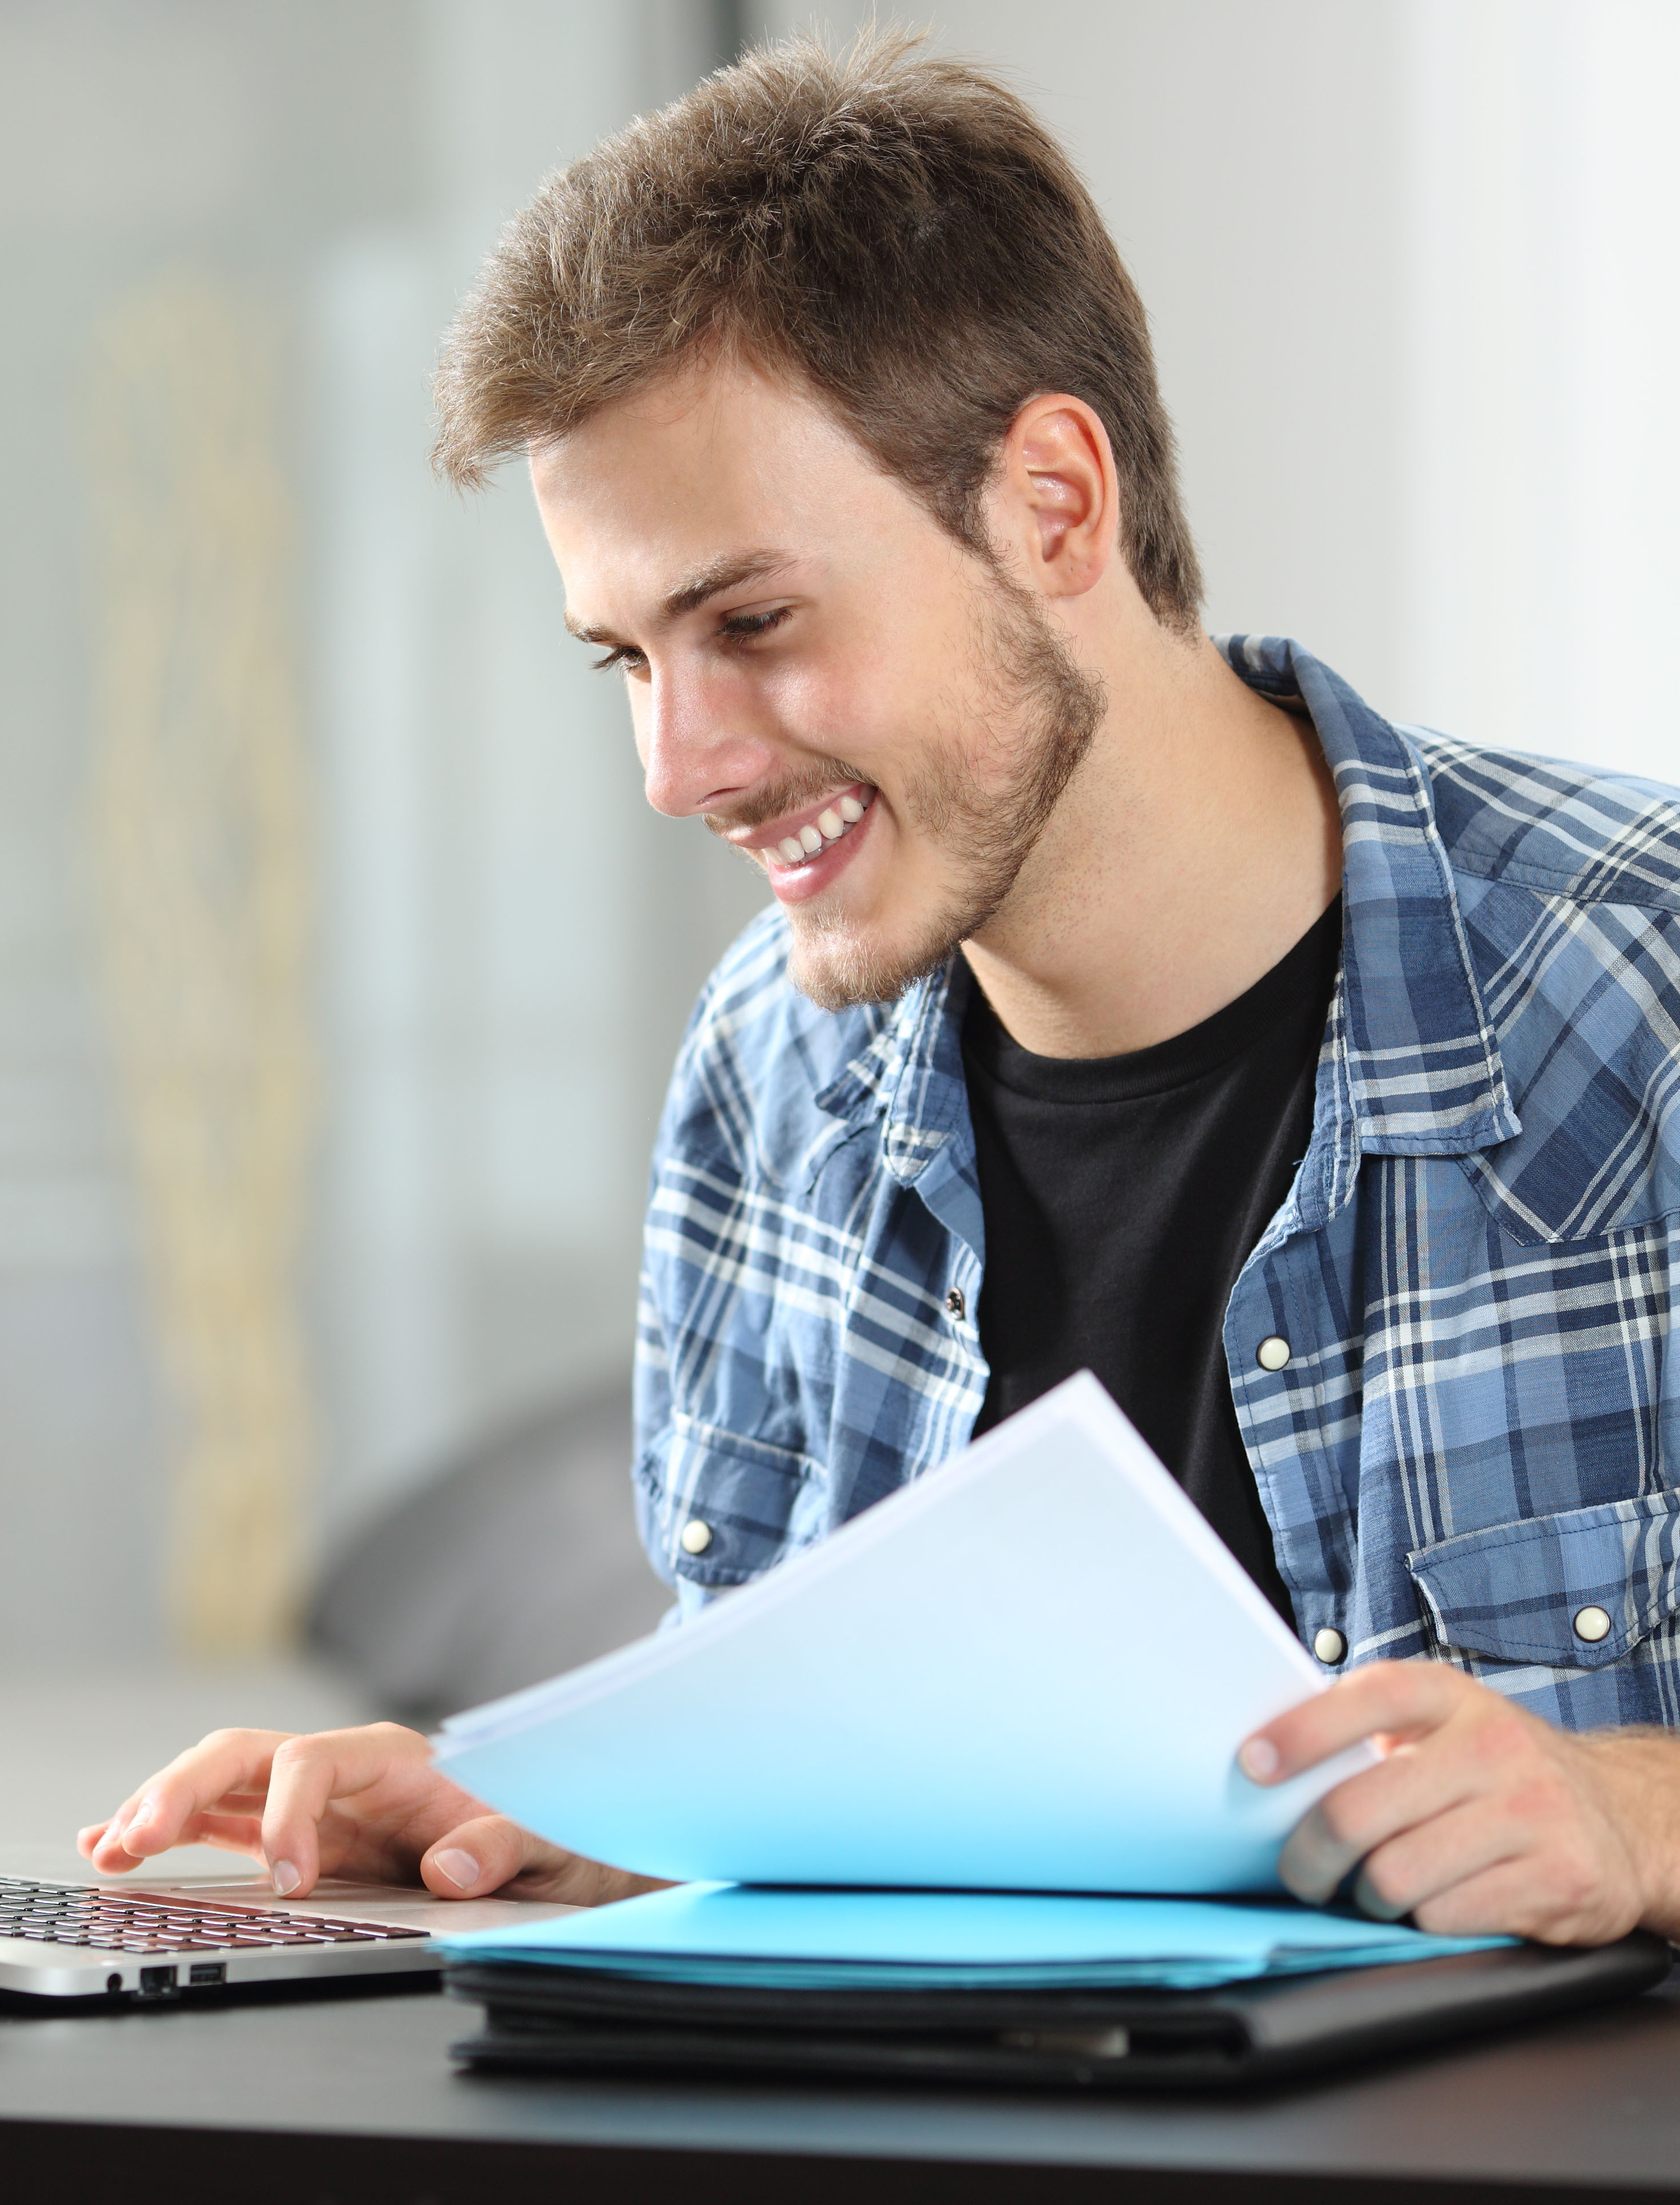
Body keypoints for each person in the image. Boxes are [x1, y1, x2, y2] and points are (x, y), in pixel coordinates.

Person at [83, 32, 1680, 1947]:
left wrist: (1643, 1812)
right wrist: (569, 1817)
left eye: (751, 623)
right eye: (626, 661)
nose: (679, 768)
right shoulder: (771, 1081)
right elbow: (821, 1797)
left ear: (1055, 508)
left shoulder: (1637, 990)